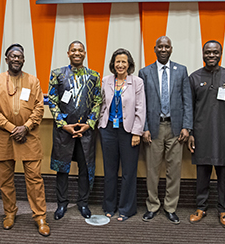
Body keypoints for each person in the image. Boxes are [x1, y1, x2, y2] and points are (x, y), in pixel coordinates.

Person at [0, 44, 50, 237]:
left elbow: (40, 107)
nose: (16, 59)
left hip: (28, 136)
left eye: (19, 57)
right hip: (4, 137)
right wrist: (12, 128)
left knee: (34, 178)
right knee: (5, 179)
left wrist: (26, 127)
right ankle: (9, 212)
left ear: (23, 60)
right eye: (12, 56)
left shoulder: (33, 81)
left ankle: (40, 216)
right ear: (6, 59)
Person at [188, 40, 225, 229]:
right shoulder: (194, 77)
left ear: (221, 54)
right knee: (202, 173)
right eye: (208, 52)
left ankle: (223, 210)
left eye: (215, 52)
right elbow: (190, 108)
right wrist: (191, 133)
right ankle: (201, 207)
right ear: (202, 54)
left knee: (223, 174)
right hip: (201, 133)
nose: (211, 55)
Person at [138, 36, 193, 224]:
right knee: (152, 171)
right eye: (160, 46)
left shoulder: (181, 71)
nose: (163, 49)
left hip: (176, 129)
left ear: (171, 49)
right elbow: (141, 103)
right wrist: (144, 128)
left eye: (166, 46)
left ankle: (170, 207)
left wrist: (187, 126)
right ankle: (152, 206)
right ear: (154, 49)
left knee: (174, 170)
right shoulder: (145, 72)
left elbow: (187, 101)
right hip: (153, 129)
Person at [48, 40, 102, 220]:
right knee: (62, 169)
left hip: (86, 132)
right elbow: (53, 101)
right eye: (73, 50)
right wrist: (64, 125)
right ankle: (61, 204)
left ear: (85, 53)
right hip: (64, 132)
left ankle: (83, 203)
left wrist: (89, 123)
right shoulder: (57, 74)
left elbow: (97, 102)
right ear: (68, 53)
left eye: (80, 50)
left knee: (85, 169)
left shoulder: (94, 76)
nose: (77, 53)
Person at [98, 48, 146, 222]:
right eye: (117, 61)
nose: (120, 65)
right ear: (113, 64)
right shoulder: (105, 81)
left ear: (129, 64)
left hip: (129, 132)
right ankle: (109, 206)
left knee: (128, 171)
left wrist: (137, 132)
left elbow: (141, 108)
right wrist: (100, 125)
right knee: (109, 171)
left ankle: (126, 209)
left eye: (123, 62)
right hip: (108, 130)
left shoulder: (137, 82)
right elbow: (101, 104)